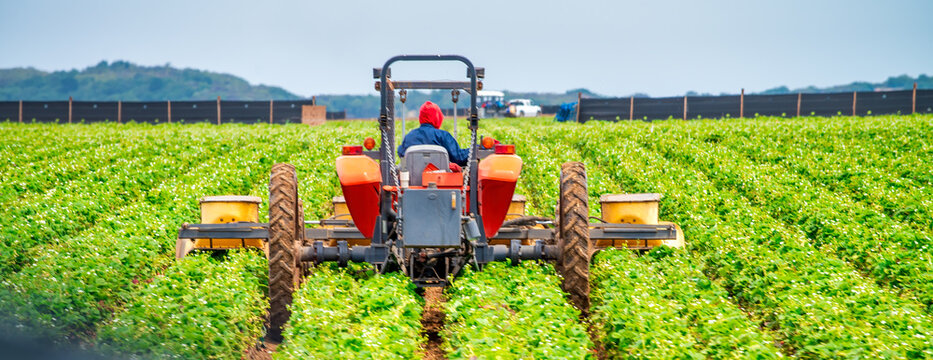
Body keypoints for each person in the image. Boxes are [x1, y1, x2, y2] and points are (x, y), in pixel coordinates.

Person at [398, 101, 470, 170]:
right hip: (440, 180)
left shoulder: (410, 136)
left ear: (420, 117)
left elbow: (401, 153)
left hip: (412, 181)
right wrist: (476, 148)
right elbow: (459, 157)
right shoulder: (443, 136)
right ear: (437, 117)